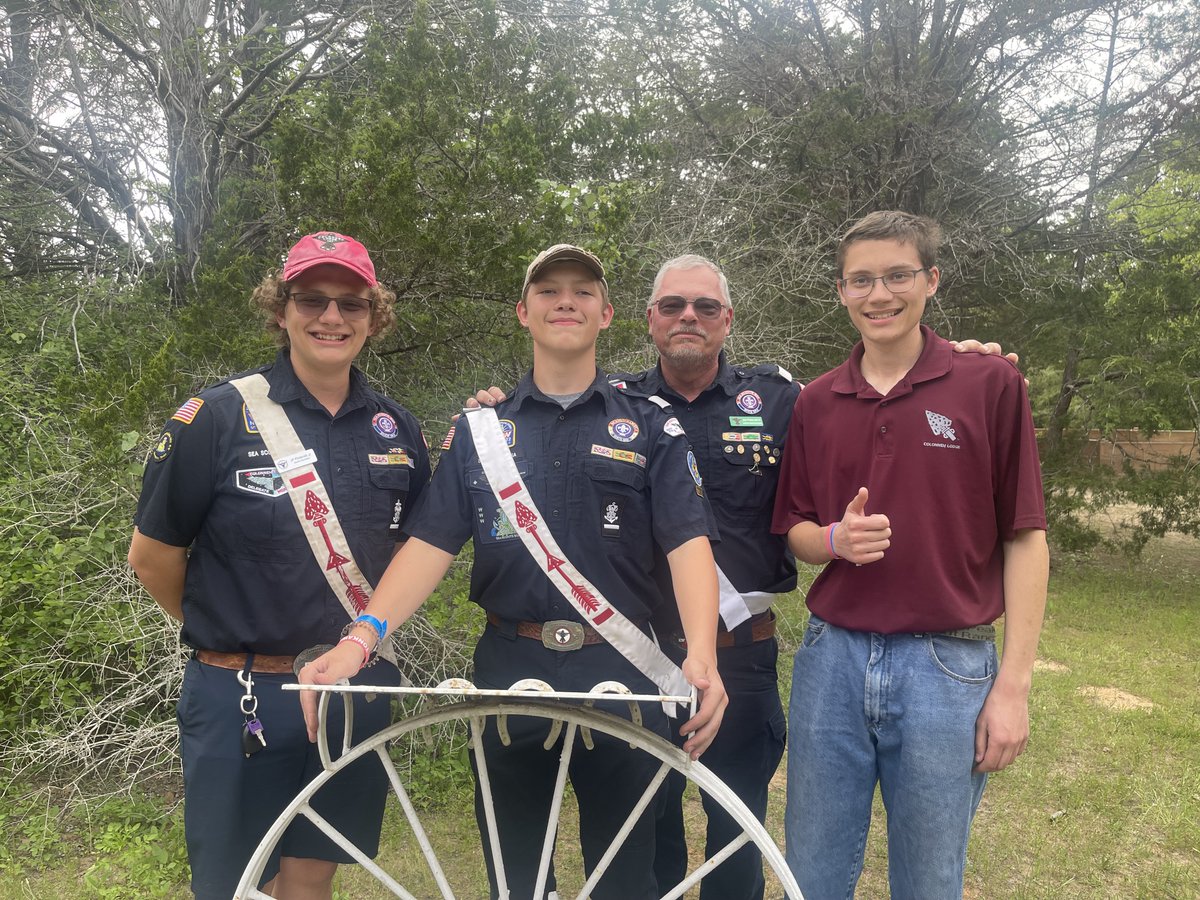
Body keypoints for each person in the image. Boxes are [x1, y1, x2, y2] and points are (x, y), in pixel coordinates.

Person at [473, 253, 1015, 899]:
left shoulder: (785, 399)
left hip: (741, 656)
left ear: (727, 319)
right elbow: (542, 419)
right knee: (646, 837)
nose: (688, 318)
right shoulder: (611, 405)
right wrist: (496, 404)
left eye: (705, 307)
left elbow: (871, 389)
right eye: (673, 306)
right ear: (648, 319)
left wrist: (952, 361)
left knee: (735, 833)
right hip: (638, 657)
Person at [298, 244, 728, 900]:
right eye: (548, 290)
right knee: (515, 879)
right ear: (522, 312)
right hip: (510, 667)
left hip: (625, 669)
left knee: (625, 883)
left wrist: (701, 655)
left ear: (607, 313)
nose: (565, 301)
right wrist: (361, 637)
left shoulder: (650, 424)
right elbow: (428, 546)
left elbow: (688, 543)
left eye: (582, 291)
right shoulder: (481, 431)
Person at [128, 231, 431, 899]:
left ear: (374, 315)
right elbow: (151, 558)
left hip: (350, 692)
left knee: (310, 878)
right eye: (312, 299)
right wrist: (229, 636)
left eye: (351, 303)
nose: (331, 317)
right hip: (244, 696)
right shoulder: (217, 416)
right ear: (281, 308)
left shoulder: (397, 428)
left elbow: (422, 551)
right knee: (237, 888)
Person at [771, 210, 1049, 900]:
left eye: (897, 275)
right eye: (860, 280)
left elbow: (1025, 537)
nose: (879, 294)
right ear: (840, 291)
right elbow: (797, 532)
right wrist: (836, 540)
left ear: (931, 279)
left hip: (947, 667)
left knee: (929, 880)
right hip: (831, 660)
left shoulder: (989, 385)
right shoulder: (815, 402)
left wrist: (1012, 687)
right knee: (811, 875)